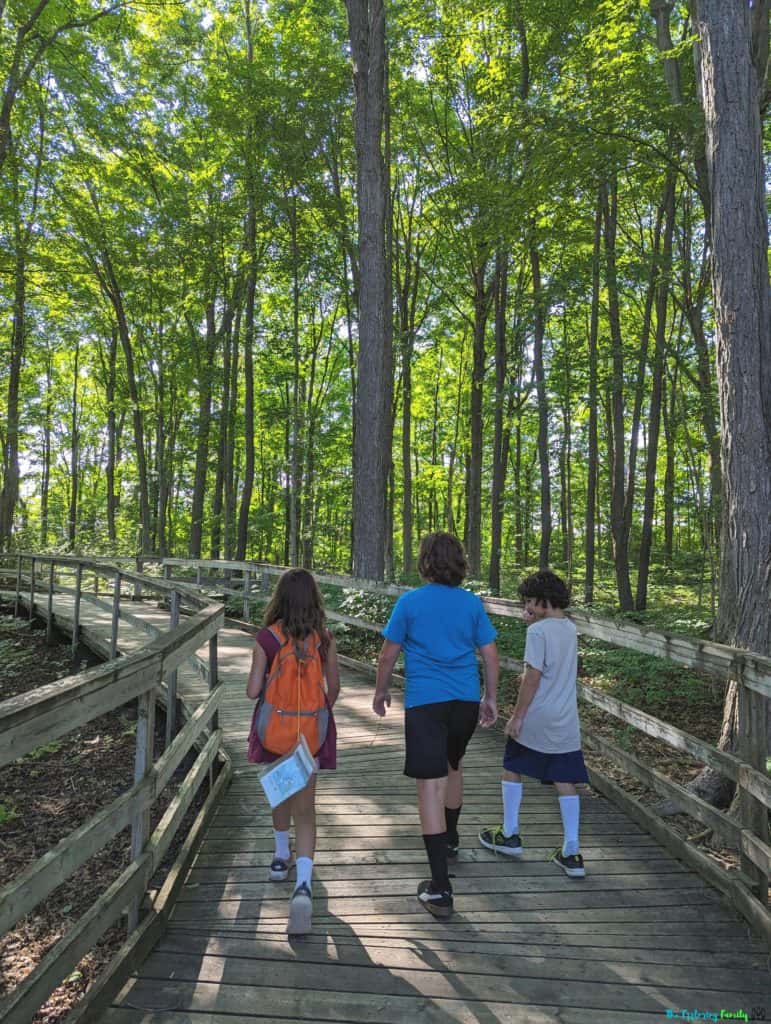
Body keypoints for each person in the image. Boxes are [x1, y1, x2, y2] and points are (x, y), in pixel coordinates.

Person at [374, 532, 499, 918]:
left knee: (429, 784)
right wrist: (490, 698)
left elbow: (387, 654)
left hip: (427, 702)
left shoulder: (410, 602)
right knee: (453, 765)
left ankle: (440, 887)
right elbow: (490, 654)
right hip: (463, 700)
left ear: (425, 561)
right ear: (459, 562)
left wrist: (381, 691)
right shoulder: (471, 604)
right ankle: (451, 838)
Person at [246, 568, 340, 934]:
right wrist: (314, 713)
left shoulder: (267, 639)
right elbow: (333, 690)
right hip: (309, 736)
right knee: (307, 810)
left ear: (280, 598)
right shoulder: (324, 640)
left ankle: (279, 857)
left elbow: (253, 692)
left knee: (279, 792)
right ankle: (303, 884)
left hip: (274, 733)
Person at [479, 570, 588, 878]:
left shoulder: (537, 633)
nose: (526, 606)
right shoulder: (569, 628)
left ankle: (510, 833)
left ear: (543, 600)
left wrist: (517, 716)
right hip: (566, 718)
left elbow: (532, 678)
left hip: (539, 713)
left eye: (529, 600)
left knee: (512, 764)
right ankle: (572, 851)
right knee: (564, 777)